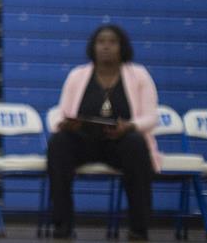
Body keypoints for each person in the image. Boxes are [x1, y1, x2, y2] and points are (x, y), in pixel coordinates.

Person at [45, 25, 161, 240]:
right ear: (93, 46)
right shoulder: (77, 75)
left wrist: (130, 126)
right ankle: (62, 225)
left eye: (112, 42)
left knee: (136, 143)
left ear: (122, 47)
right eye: (101, 42)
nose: (106, 46)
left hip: (120, 143)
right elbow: (59, 112)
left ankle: (139, 227)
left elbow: (151, 117)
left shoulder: (139, 75)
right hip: (84, 142)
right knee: (58, 142)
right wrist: (63, 124)